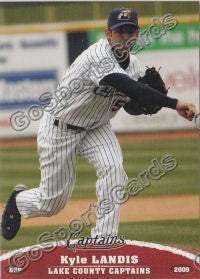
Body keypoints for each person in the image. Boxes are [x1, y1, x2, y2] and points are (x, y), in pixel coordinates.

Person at [1, 8, 196, 241]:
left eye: (130, 31)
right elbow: (127, 86)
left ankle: (104, 238)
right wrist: (173, 103)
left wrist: (145, 103)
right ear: (108, 33)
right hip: (60, 127)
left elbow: (130, 104)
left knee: (114, 171)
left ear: (137, 34)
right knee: (51, 203)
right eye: (119, 31)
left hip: (96, 128)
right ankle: (19, 201)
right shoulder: (97, 56)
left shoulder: (135, 66)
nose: (125, 36)